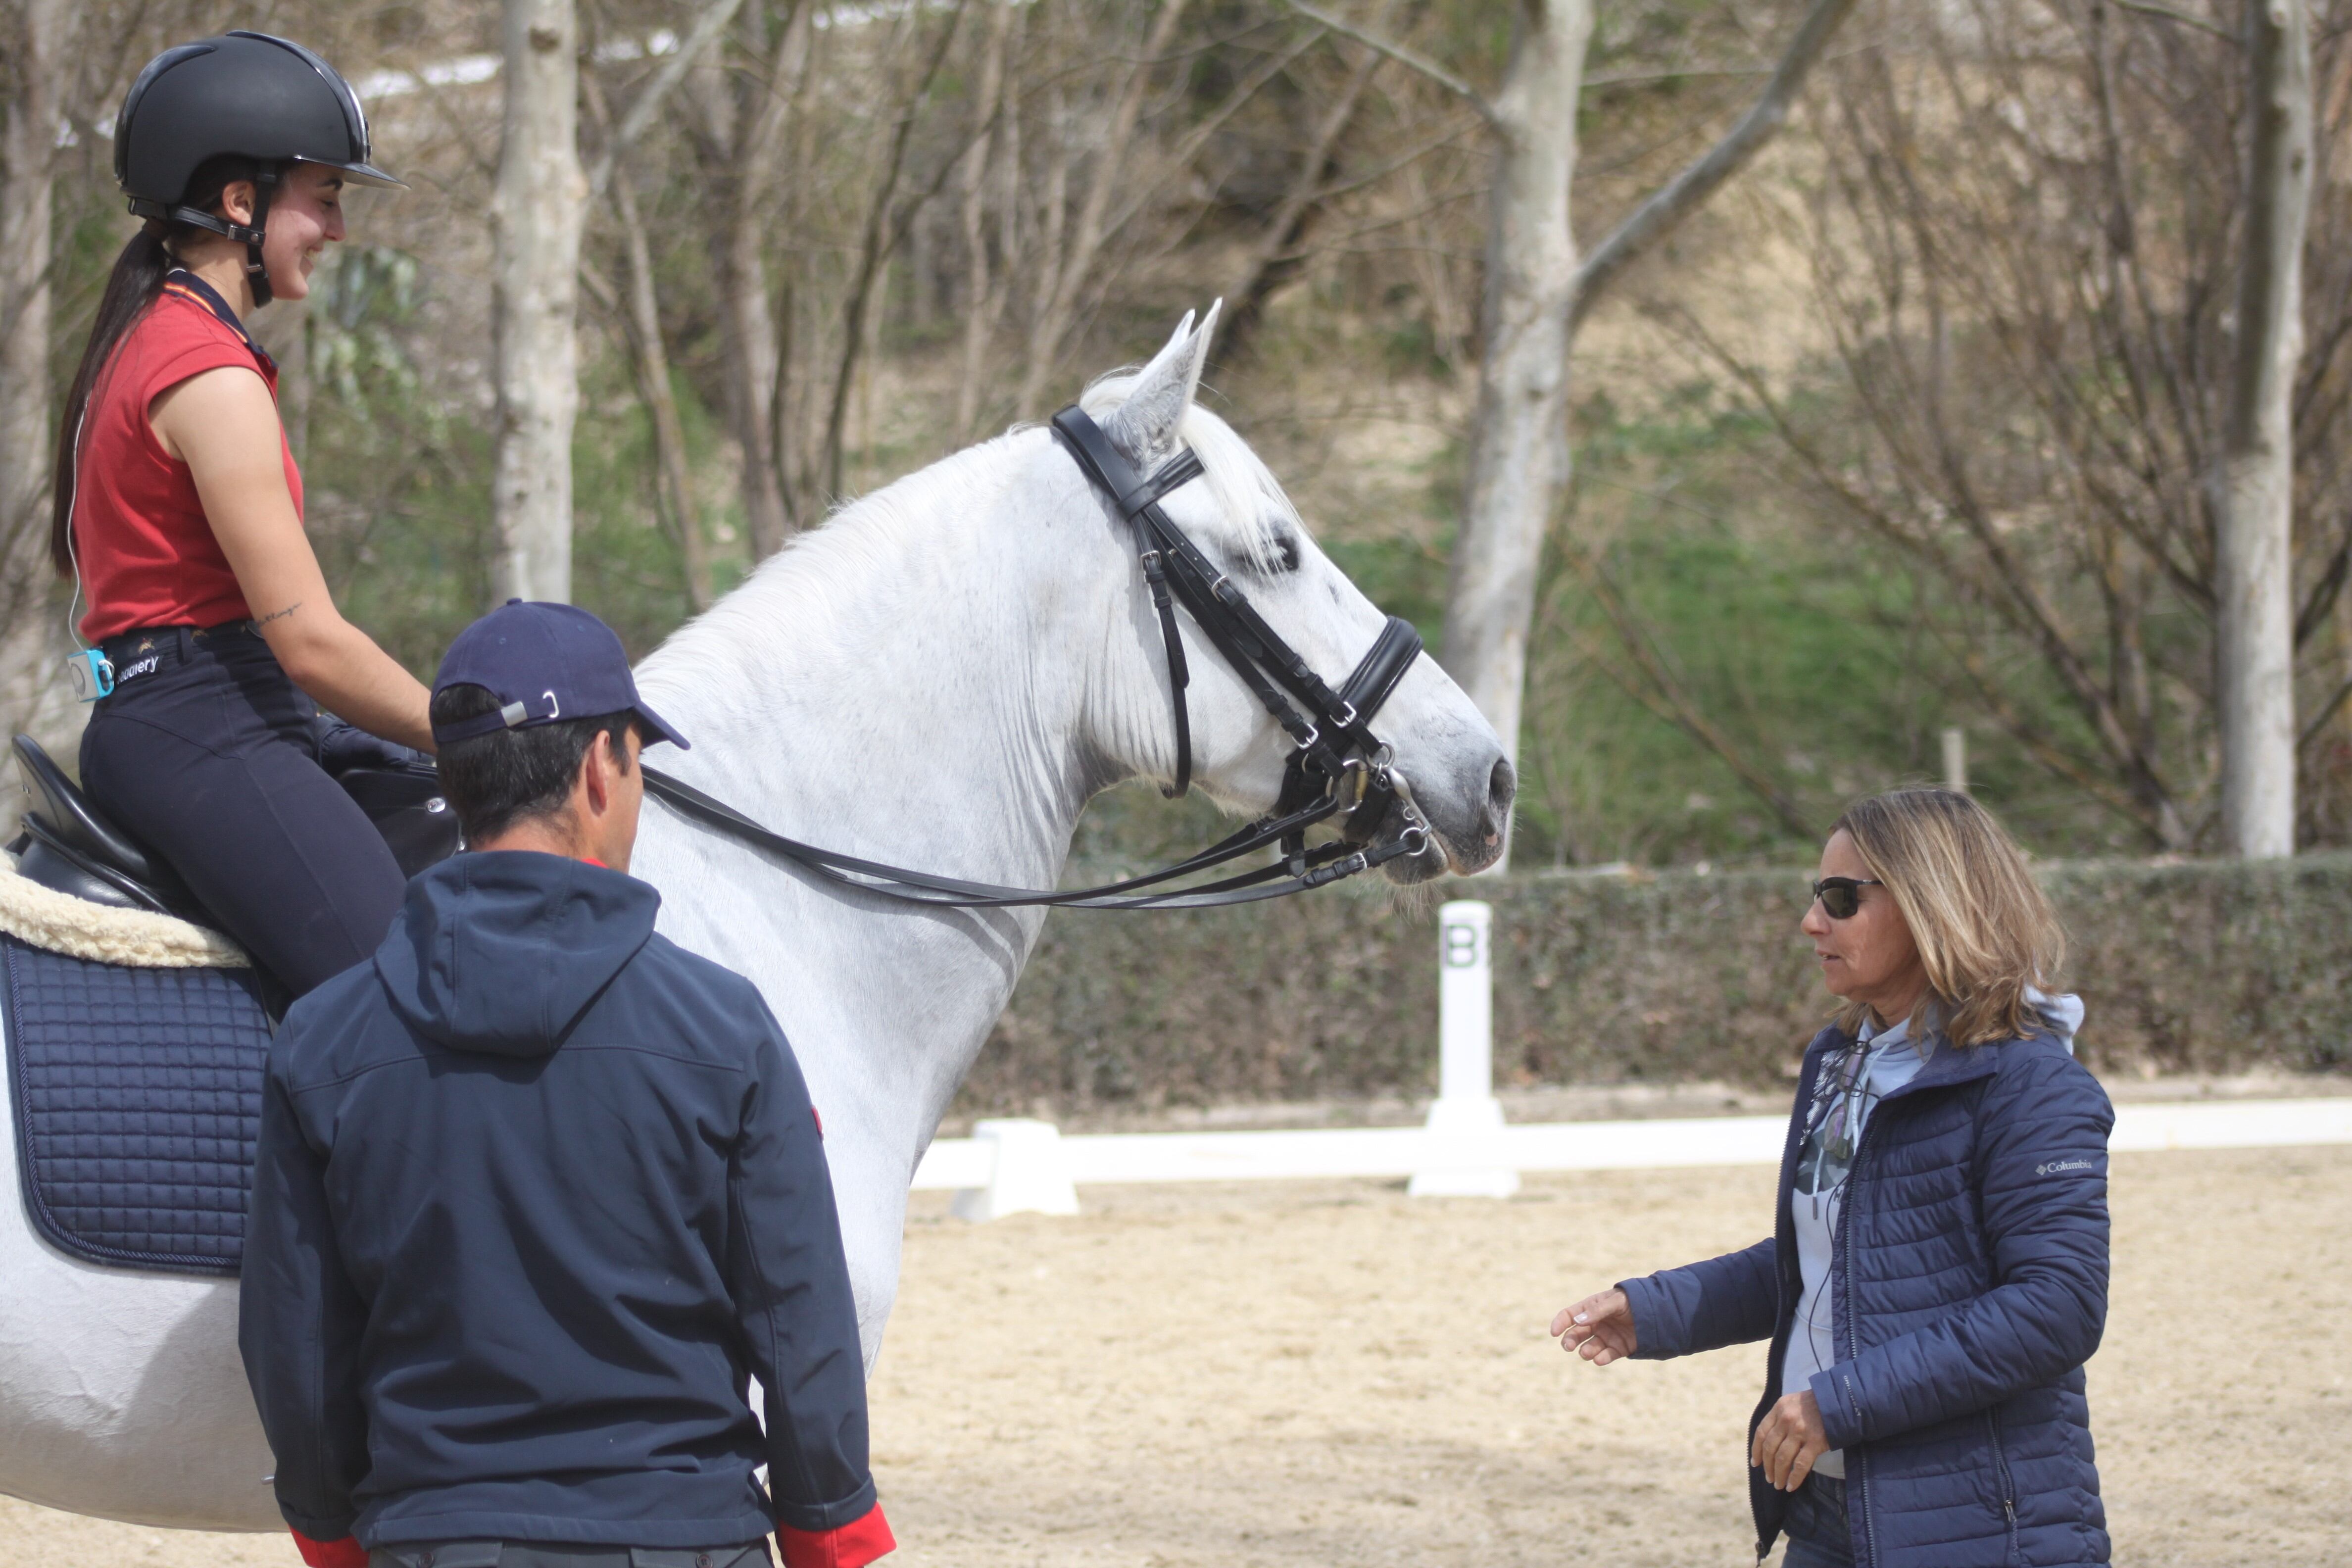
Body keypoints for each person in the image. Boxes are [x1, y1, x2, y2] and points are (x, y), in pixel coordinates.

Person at [239, 601, 895, 1568]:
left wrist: (336, 1539)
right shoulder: (727, 1028)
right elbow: (803, 1323)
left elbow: (294, 1346)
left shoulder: (321, 1040)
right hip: (689, 1538)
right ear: (600, 770)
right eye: (638, 763)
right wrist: (828, 1529)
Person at [1551, 787, 2112, 1568]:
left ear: (1932, 904)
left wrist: (1839, 1404)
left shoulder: (2032, 1084)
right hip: (1825, 1511)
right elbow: (1831, 1264)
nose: (1812, 923)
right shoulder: (1838, 1062)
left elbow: (2057, 1309)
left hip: (1979, 1525)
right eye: (1818, 896)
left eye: (1842, 899)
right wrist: (1658, 1309)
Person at [56, 32, 432, 995]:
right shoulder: (208, 374)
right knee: (404, 1003)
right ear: (240, 202)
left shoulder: (161, 337)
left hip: (215, 707)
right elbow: (312, 646)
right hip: (202, 722)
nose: (338, 229)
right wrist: (474, 730)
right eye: (327, 198)